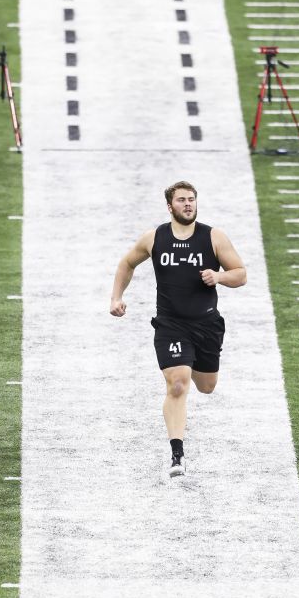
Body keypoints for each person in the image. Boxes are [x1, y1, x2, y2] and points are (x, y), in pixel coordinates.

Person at [109, 181, 247, 477]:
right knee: (178, 383)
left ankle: (192, 360)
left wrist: (219, 277)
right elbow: (127, 263)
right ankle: (177, 455)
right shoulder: (155, 237)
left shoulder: (213, 237)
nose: (188, 204)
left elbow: (241, 274)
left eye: (192, 199)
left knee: (207, 386)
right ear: (170, 206)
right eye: (182, 200)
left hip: (207, 324)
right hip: (171, 325)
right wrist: (117, 297)